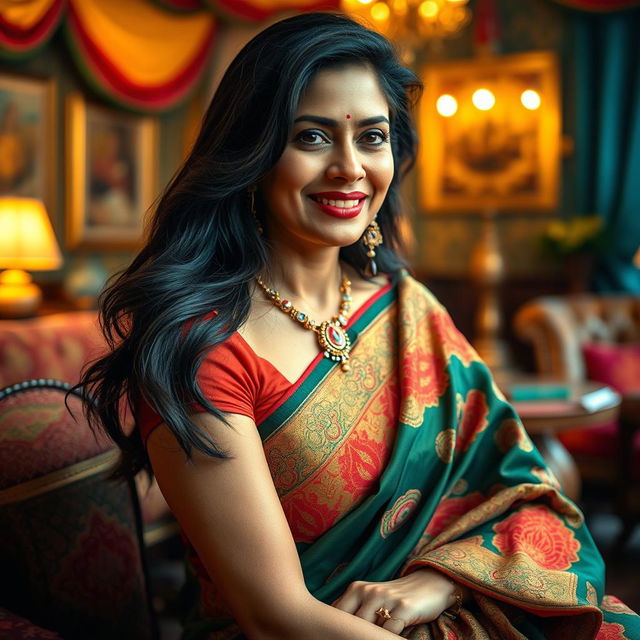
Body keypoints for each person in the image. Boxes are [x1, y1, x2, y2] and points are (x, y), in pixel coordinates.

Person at [78, 12, 640, 640]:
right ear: (251, 154)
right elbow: (276, 616)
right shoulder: (201, 353)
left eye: (372, 138)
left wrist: (440, 581)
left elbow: (526, 491)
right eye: (312, 138)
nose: (350, 167)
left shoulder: (407, 307)